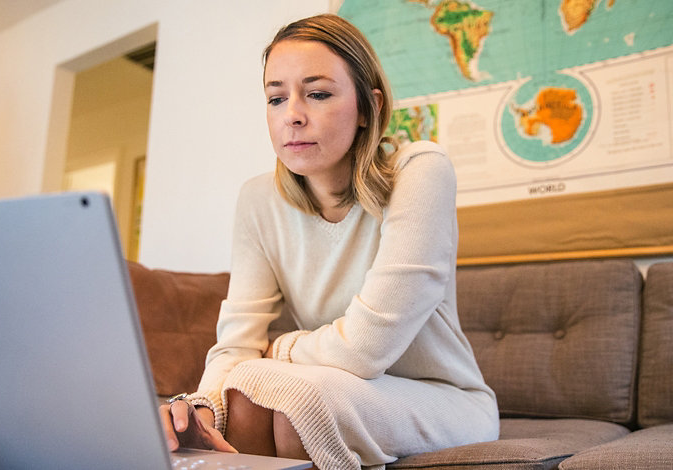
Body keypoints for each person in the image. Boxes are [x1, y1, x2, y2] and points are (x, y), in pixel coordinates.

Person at [159, 13, 499, 470]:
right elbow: (237, 341)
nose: (292, 115)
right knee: (247, 391)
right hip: (328, 384)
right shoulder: (258, 200)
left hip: (443, 398)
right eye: (276, 98)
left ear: (367, 107)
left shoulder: (420, 171)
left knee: (293, 394)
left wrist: (280, 349)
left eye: (317, 94)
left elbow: (365, 347)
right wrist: (202, 408)